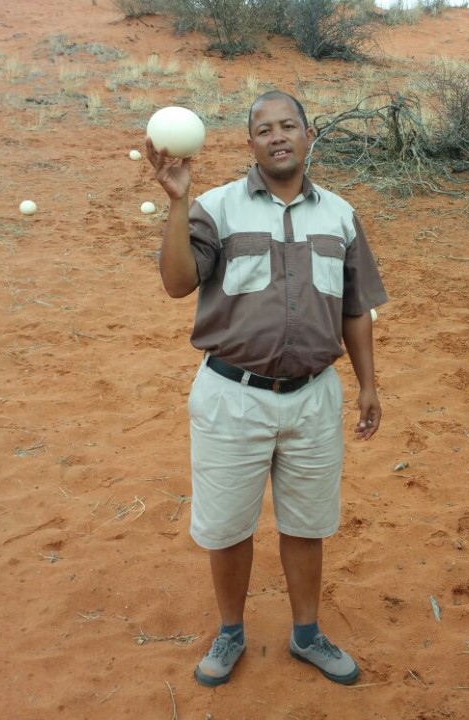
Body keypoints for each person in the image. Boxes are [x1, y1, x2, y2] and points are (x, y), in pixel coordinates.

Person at [145, 90, 388, 687]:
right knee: (228, 527)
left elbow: (355, 308)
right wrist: (177, 203)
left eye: (288, 126)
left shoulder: (340, 215)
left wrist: (368, 385)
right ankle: (230, 633)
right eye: (264, 130)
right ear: (250, 143)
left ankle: (307, 634)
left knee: (307, 524)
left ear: (308, 135)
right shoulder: (215, 207)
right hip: (233, 395)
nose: (277, 137)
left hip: (314, 397)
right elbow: (177, 283)